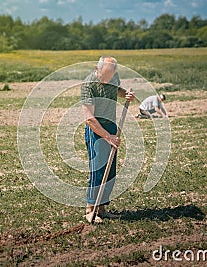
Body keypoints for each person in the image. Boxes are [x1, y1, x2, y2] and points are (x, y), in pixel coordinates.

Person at [81, 56, 135, 223]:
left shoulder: (113, 77)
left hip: (111, 126)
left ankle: (102, 208)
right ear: (96, 70)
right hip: (96, 129)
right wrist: (107, 136)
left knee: (110, 170)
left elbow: (117, 89)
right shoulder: (88, 84)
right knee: (98, 170)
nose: (107, 80)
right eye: (104, 76)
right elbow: (89, 118)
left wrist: (126, 94)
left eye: (110, 76)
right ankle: (90, 210)